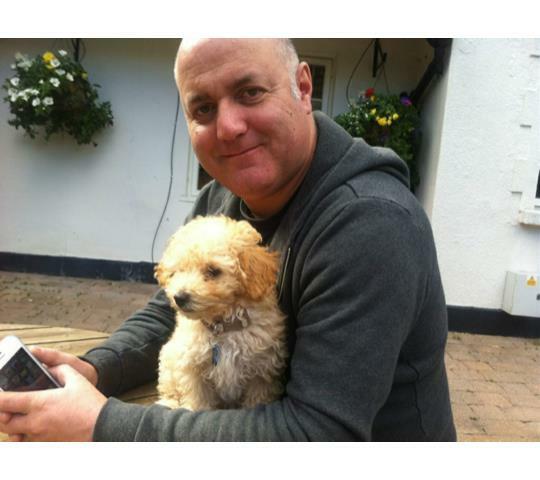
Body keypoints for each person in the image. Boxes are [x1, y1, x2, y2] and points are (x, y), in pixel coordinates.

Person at [0, 38, 456, 441]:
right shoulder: (221, 195)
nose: (229, 127)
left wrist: (100, 424)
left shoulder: (371, 224)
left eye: (250, 92)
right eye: (202, 109)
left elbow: (317, 435)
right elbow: (169, 311)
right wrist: (97, 369)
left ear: (303, 87)